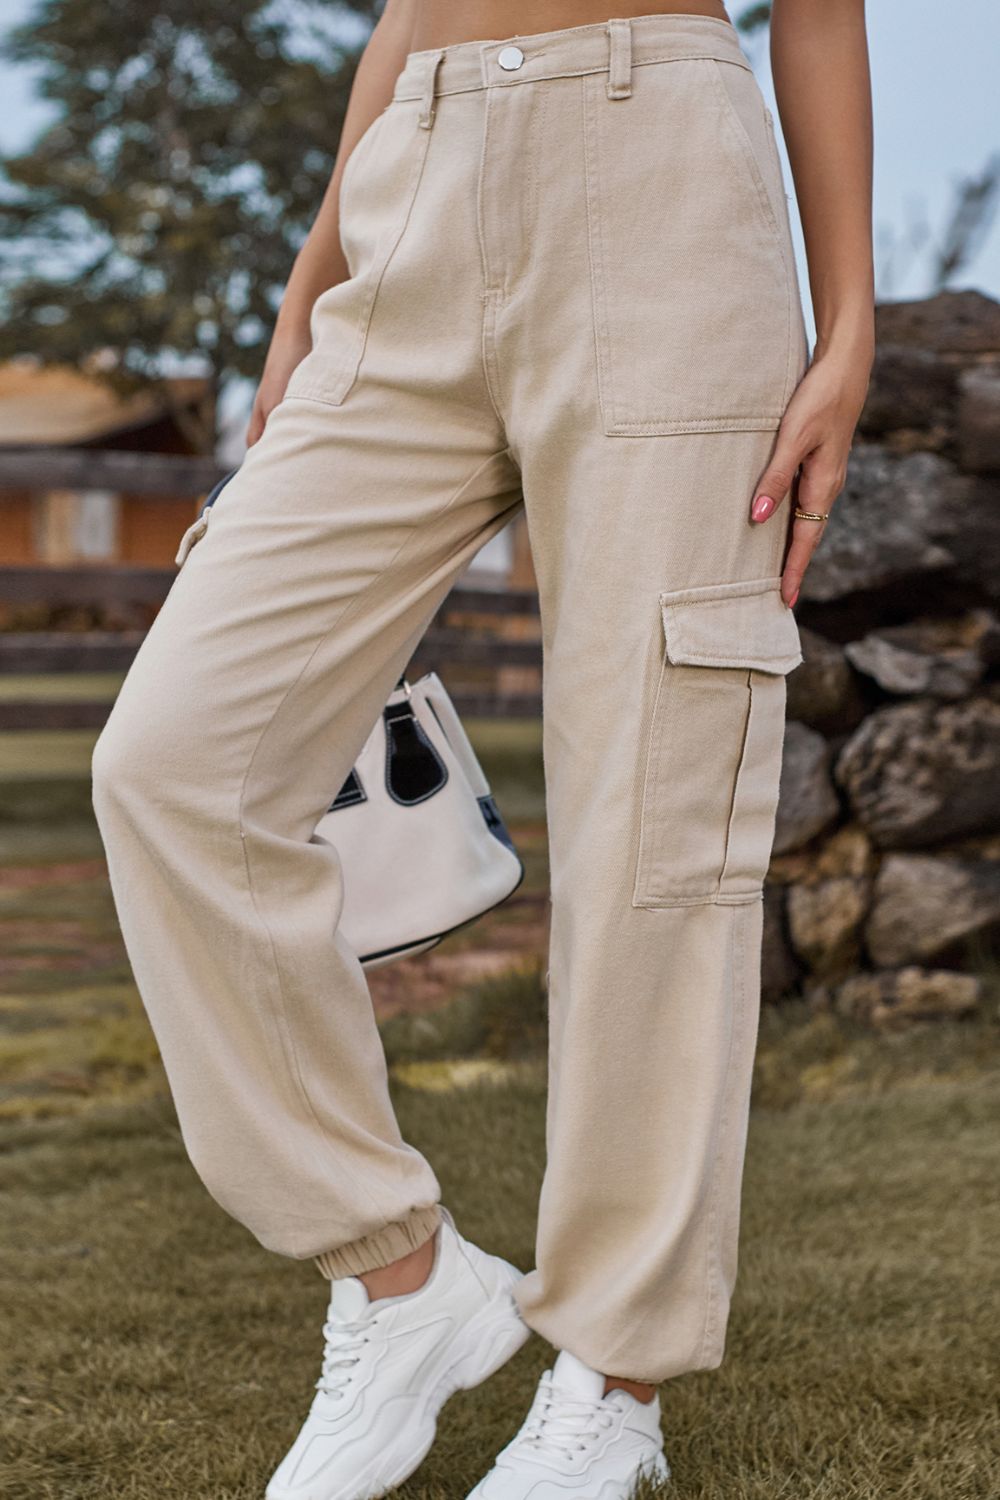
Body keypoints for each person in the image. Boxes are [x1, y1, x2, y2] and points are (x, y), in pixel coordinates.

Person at [90, 0, 874, 1495]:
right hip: (417, 183)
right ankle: (400, 1278)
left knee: (655, 811)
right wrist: (311, 284)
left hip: (666, 190)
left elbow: (822, 12)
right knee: (174, 766)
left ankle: (611, 1385)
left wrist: (852, 326)